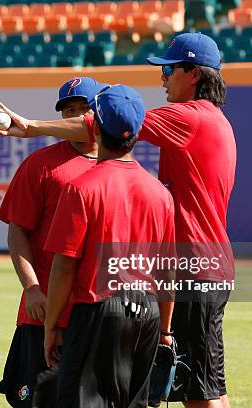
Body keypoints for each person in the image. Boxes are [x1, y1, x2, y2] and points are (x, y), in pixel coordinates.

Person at [0, 32, 236, 408]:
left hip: (193, 269)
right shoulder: (211, 121)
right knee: (201, 386)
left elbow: (111, 124)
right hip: (199, 267)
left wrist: (32, 126)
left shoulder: (190, 117)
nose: (162, 77)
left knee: (201, 394)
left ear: (194, 74)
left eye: (169, 69)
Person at [43, 84, 176, 408]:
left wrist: (52, 325)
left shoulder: (81, 189)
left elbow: (64, 267)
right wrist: (165, 330)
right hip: (146, 312)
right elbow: (167, 273)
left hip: (98, 309)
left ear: (96, 128)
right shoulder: (160, 194)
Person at [0, 77, 106, 407]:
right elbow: (17, 232)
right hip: (43, 310)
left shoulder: (120, 166)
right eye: (68, 110)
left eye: (83, 110)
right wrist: (30, 287)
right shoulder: (40, 165)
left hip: (98, 313)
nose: (75, 117)